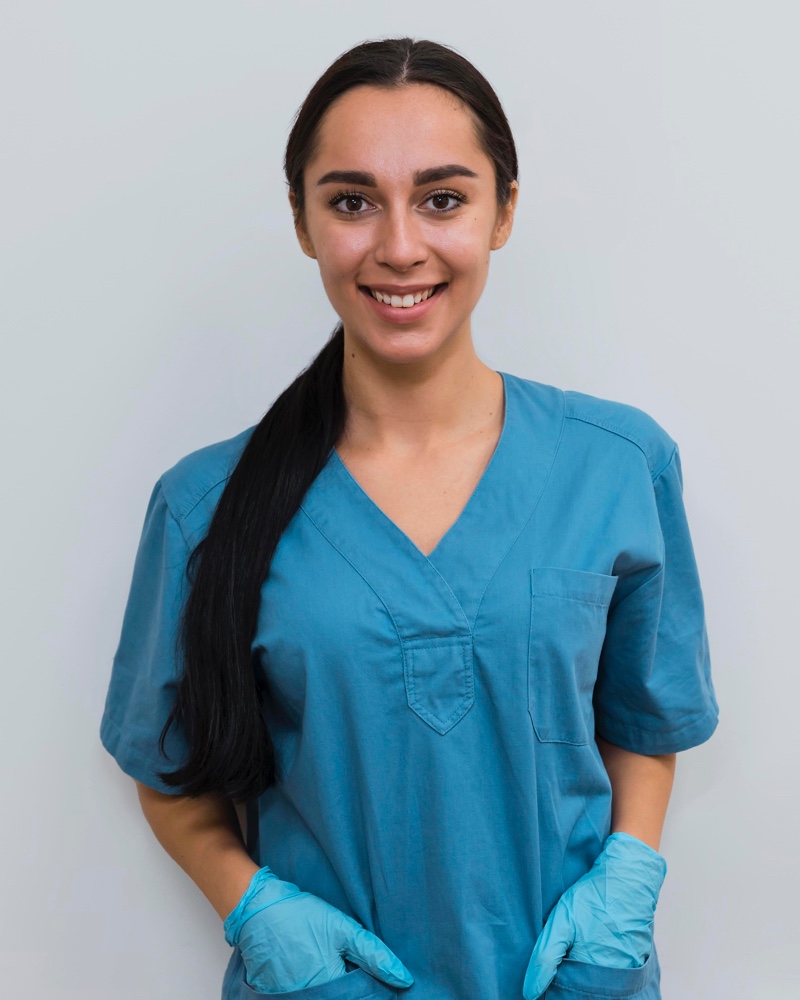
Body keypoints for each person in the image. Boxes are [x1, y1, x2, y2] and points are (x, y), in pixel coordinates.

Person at [99, 36, 719, 1000]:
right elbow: (167, 771)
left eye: (443, 198)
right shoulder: (205, 508)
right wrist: (255, 908)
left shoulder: (618, 467)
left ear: (503, 210)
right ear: (304, 223)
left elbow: (644, 718)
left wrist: (627, 881)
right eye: (351, 201)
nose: (398, 246)